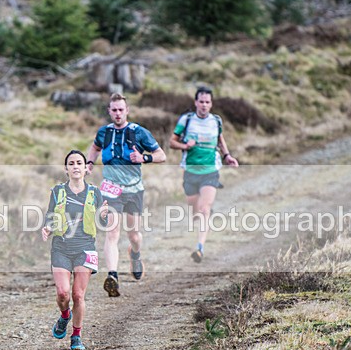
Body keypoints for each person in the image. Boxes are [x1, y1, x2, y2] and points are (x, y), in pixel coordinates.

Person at [86, 93, 166, 297]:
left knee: (134, 235)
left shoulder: (139, 132)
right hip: (110, 189)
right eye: (114, 110)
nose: (118, 113)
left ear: (127, 110)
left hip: (133, 190)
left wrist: (144, 158)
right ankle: (112, 276)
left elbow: (161, 155)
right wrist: (89, 163)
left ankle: (135, 254)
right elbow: (95, 148)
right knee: (112, 233)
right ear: (109, 111)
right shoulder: (104, 132)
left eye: (121, 109)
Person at [41, 149, 110, 350]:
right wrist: (47, 227)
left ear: (86, 168)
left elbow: (103, 222)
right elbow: (50, 215)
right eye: (71, 164)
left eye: (79, 163)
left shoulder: (94, 193)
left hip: (85, 248)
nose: (75, 167)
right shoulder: (58, 191)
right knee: (63, 293)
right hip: (61, 247)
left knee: (78, 295)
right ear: (66, 169)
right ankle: (65, 316)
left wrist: (104, 215)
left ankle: (76, 336)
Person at [169, 86, 238, 263]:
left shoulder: (216, 121)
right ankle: (202, 214)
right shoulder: (187, 120)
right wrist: (185, 146)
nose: (204, 105)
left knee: (204, 209)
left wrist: (227, 156)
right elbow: (172, 142)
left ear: (211, 103)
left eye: (207, 102)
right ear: (196, 102)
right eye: (201, 101)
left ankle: (199, 248)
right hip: (190, 171)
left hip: (210, 171)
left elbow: (220, 139)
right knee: (195, 211)